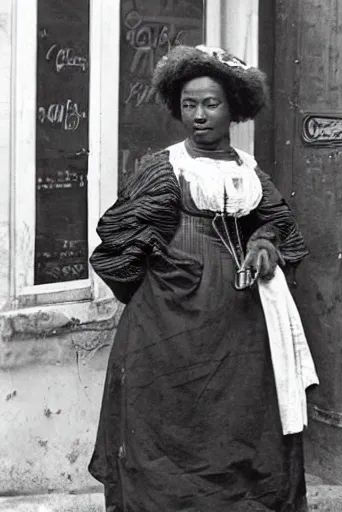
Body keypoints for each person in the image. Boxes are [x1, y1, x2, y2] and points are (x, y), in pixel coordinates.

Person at [88, 44, 317, 512]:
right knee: (173, 419)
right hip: (171, 322)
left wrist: (263, 245)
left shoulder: (248, 169)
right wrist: (170, 276)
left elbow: (276, 223)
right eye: (189, 104)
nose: (198, 115)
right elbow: (118, 241)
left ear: (233, 107)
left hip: (243, 322)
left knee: (238, 418)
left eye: (210, 104)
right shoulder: (165, 167)